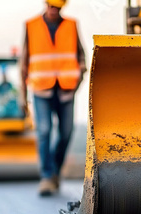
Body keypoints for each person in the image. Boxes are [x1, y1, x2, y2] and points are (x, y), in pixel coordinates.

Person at [21, 0, 87, 196]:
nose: (53, 10)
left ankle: (55, 170)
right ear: (46, 4)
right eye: (51, 6)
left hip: (66, 89)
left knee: (66, 132)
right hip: (41, 89)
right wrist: (22, 96)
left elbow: (81, 56)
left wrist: (79, 78)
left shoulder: (71, 25)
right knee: (44, 130)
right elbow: (24, 61)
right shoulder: (31, 26)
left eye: (57, 8)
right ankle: (46, 177)